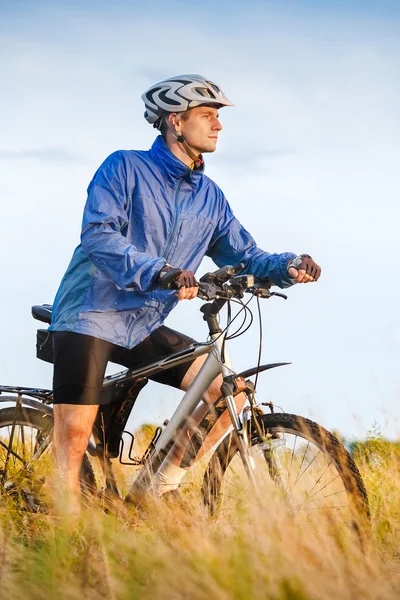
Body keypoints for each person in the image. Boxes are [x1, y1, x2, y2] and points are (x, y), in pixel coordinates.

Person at [49, 74, 321, 509]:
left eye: (217, 117)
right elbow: (98, 235)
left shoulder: (209, 197)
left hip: (142, 325)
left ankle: (153, 494)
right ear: (176, 120)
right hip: (91, 313)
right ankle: (58, 538)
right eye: (208, 115)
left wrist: (287, 266)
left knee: (229, 391)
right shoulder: (124, 167)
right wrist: (162, 272)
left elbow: (245, 253)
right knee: (74, 446)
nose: (218, 125)